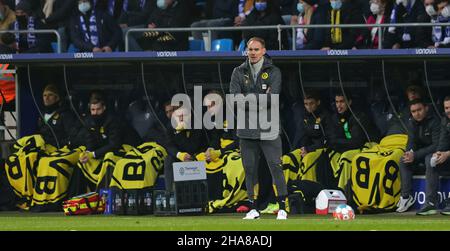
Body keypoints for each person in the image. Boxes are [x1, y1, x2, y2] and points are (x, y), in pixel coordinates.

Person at [229, 37, 288, 220]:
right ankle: (253, 208)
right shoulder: (238, 71)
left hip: (269, 128)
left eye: (256, 49)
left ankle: (282, 208)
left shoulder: (274, 71)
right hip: (246, 130)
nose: (252, 53)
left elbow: (274, 98)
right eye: (250, 49)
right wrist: (261, 98)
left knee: (275, 167)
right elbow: (235, 99)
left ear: (263, 50)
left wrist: (248, 98)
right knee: (250, 169)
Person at [328, 91, 380, 190]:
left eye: (342, 102)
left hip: (367, 146)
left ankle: (343, 190)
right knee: (331, 154)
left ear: (349, 102)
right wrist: (335, 142)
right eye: (337, 102)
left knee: (345, 157)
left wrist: (336, 142)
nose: (339, 105)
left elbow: (357, 142)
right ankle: (333, 185)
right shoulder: (335, 117)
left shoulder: (358, 116)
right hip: (348, 146)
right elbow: (333, 138)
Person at [396, 98, 441, 213]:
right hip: (419, 155)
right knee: (403, 160)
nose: (417, 113)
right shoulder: (411, 123)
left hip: (435, 153)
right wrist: (409, 152)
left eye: (419, 109)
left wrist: (415, 155)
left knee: (429, 159)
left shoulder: (435, 121)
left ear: (426, 108)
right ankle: (406, 197)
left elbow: (436, 145)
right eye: (414, 111)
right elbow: (411, 142)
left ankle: (431, 201)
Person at [414, 96, 450, 215]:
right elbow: (443, 141)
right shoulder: (445, 120)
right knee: (431, 159)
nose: (448, 110)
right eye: (446, 108)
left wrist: (447, 153)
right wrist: (439, 152)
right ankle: (431, 203)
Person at [162, 105, 207, 192]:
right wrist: (179, 154)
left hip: (196, 154)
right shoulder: (171, 127)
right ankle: (170, 192)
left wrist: (179, 133)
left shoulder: (197, 125)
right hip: (181, 156)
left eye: (184, 115)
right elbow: (169, 145)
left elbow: (193, 146)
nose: (181, 118)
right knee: (168, 159)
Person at [37, 84, 79, 148]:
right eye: (44, 95)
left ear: (57, 97)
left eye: (50, 95)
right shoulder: (41, 114)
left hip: (58, 151)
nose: (46, 98)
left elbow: (72, 137)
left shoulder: (65, 114)